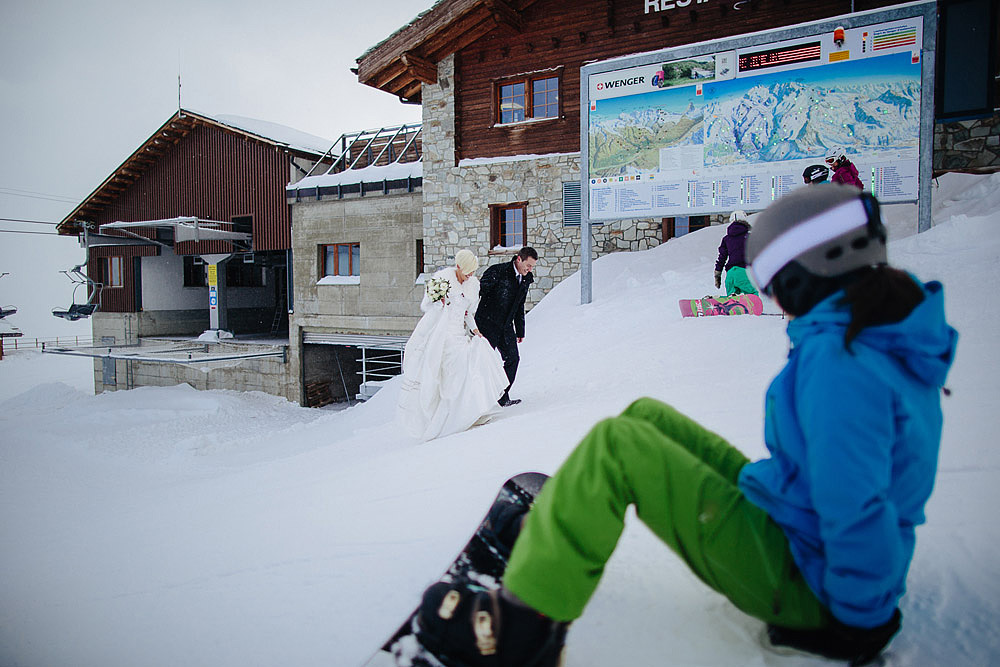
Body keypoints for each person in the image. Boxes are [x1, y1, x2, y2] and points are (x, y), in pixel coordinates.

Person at [413, 185, 958, 667]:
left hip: (810, 581)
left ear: (805, 273)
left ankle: (516, 632)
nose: (769, 297)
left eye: (773, 281)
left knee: (617, 446)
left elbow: (858, 504)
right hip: (799, 523)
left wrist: (854, 620)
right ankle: (568, 523)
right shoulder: (868, 331)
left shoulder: (843, 364)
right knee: (646, 416)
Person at [397, 249, 509, 441]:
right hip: (443, 334)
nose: (470, 276)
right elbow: (427, 306)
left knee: (471, 365)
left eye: (473, 272)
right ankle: (451, 415)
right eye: (467, 272)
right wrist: (439, 303)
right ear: (458, 267)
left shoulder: (473, 285)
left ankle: (471, 411)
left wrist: (475, 331)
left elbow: (467, 313)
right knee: (453, 372)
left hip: (459, 333)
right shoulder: (442, 279)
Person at [474, 246, 538, 407]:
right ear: (519, 259)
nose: (530, 270)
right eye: (528, 265)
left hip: (506, 326)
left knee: (513, 359)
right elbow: (478, 292)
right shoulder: (498, 271)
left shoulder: (525, 278)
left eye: (532, 267)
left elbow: (519, 305)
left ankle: (502, 395)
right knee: (481, 363)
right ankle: (477, 400)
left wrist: (520, 330)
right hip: (486, 324)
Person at [714, 210, 758, 296]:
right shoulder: (750, 237)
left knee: (733, 302)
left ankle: (715, 299)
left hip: (730, 274)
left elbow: (722, 258)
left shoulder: (726, 239)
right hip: (744, 272)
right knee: (752, 296)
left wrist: (717, 275)